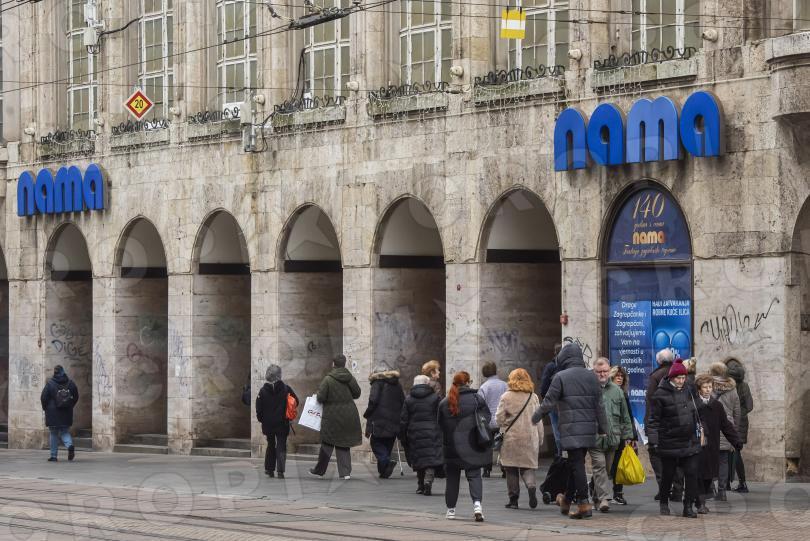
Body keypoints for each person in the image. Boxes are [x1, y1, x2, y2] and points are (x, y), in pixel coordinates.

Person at [531, 343, 607, 520]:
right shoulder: (591, 377)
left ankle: (584, 504)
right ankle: (566, 501)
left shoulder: (560, 377)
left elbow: (548, 402)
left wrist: (534, 418)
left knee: (577, 464)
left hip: (571, 428)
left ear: (564, 358)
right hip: (589, 429)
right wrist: (603, 428)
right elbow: (600, 406)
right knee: (576, 463)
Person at [647, 359, 701, 518]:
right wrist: (653, 441)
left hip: (689, 440)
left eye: (683, 377)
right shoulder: (660, 395)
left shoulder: (690, 390)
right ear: (671, 377)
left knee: (691, 473)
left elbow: (699, 411)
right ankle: (664, 502)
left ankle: (688, 506)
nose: (681, 381)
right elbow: (653, 420)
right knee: (668, 475)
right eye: (678, 378)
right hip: (669, 441)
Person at [438, 371, 490, 522]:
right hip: (471, 445)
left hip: (451, 447)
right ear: (468, 382)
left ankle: (451, 510)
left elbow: (440, 425)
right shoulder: (476, 399)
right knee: (474, 475)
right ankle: (477, 506)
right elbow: (486, 418)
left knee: (452, 478)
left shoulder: (444, 402)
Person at [590, 358, 634, 513]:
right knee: (599, 466)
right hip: (595, 438)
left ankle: (596, 497)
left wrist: (628, 436)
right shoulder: (588, 389)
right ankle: (604, 499)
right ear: (594, 372)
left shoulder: (617, 391)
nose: (602, 374)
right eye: (599, 372)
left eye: (605, 371)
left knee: (607, 470)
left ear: (609, 372)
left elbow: (625, 416)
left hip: (613, 438)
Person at [495, 368, 543, 510]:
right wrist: (540, 437)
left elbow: (499, 419)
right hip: (530, 437)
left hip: (512, 438)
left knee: (511, 468)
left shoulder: (506, 396)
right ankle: (531, 486)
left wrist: (505, 424)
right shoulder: (533, 397)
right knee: (527, 467)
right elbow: (538, 419)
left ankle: (513, 500)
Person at [309, 355, 362, 480]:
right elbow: (357, 393)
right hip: (349, 414)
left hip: (331, 415)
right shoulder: (350, 378)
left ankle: (319, 470)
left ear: (334, 364)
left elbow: (321, 397)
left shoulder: (328, 379)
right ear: (344, 364)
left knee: (327, 442)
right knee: (343, 443)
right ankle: (345, 473)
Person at [694, 373, 741, 514]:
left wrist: (736, 440)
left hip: (712, 446)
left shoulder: (717, 406)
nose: (708, 390)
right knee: (698, 476)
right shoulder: (693, 404)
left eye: (710, 387)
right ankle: (700, 503)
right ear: (699, 388)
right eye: (705, 387)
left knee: (708, 476)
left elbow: (725, 425)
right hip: (696, 446)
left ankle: (700, 501)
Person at [646, 348, 683, 501]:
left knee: (656, 455)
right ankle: (678, 490)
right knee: (677, 456)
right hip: (677, 423)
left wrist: (649, 426)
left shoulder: (655, 376)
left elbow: (651, 401)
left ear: (658, 361)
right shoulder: (680, 375)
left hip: (660, 424)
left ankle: (664, 489)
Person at [400, 374, 443, 495]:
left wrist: (402, 435)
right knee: (431, 458)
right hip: (432, 431)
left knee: (419, 458)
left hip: (414, 432)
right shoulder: (435, 398)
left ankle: (420, 485)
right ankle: (428, 480)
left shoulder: (409, 399)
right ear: (427, 384)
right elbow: (441, 415)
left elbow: (403, 419)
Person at [363, 362, 405, 479]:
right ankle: (384, 472)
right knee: (387, 446)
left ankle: (386, 461)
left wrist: (367, 413)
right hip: (394, 421)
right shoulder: (397, 384)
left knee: (375, 443)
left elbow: (373, 400)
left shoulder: (377, 383)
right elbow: (403, 401)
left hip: (379, 419)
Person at [256, 365, 298, 479]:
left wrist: (262, 419)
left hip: (268, 423)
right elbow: (296, 401)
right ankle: (280, 471)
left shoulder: (262, 391)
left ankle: (269, 469)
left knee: (270, 444)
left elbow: (258, 409)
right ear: (279, 375)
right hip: (282, 422)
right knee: (281, 445)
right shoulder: (286, 389)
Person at [708, 362, 741, 501]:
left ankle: (710, 488)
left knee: (708, 461)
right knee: (723, 461)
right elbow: (737, 412)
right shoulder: (732, 389)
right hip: (727, 429)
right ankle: (722, 491)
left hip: (711, 429)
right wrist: (735, 432)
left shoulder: (708, 386)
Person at [608, 365, 638, 505]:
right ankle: (594, 486)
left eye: (622, 376)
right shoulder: (606, 393)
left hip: (621, 434)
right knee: (607, 464)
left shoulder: (624, 394)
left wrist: (632, 436)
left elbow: (629, 417)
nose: (619, 379)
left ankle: (618, 493)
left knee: (619, 464)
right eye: (617, 376)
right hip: (609, 432)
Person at [723, 356, 753, 493]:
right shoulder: (744, 385)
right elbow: (750, 406)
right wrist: (740, 414)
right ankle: (730, 483)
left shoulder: (727, 385)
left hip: (730, 422)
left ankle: (741, 483)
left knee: (732, 453)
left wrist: (734, 413)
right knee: (734, 452)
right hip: (741, 422)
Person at [40, 365, 79, 462]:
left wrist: (45, 408)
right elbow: (76, 396)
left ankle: (53, 456)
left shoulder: (50, 383)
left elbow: (43, 397)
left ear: (55, 372)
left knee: (53, 433)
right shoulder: (70, 383)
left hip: (52, 412)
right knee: (65, 431)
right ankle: (69, 446)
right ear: (63, 372)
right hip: (66, 411)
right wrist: (70, 405)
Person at [478, 361, 508, 477]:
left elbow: (480, 404)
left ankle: (486, 470)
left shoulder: (484, 387)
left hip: (488, 421)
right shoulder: (504, 385)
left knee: (487, 446)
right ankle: (504, 469)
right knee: (503, 445)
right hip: (502, 420)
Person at [539, 344, 563, 456]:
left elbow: (544, 386)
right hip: (568, 402)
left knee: (557, 429)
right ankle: (569, 456)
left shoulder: (550, 366)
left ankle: (561, 455)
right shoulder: (570, 366)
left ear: (555, 352)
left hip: (553, 402)